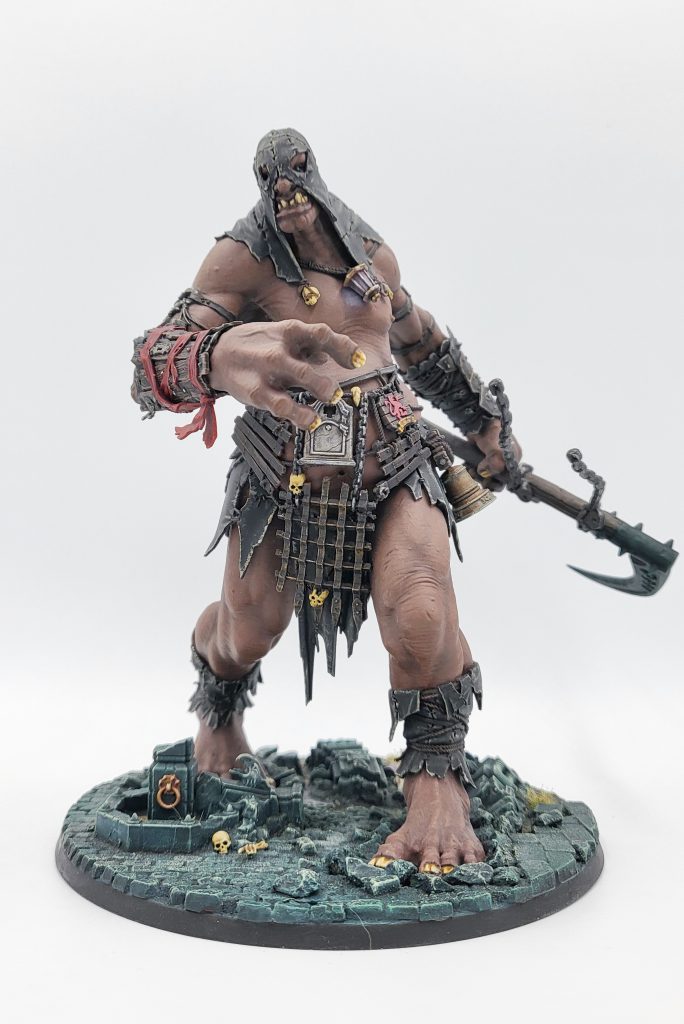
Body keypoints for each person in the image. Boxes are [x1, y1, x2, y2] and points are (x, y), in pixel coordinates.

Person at [131, 128, 516, 875]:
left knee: (422, 609)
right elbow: (151, 367)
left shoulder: (372, 255)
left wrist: (484, 423)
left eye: (297, 177)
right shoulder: (238, 260)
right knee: (248, 628)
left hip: (395, 455)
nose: (288, 195)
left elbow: (420, 342)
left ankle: (436, 782)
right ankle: (218, 709)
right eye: (272, 184)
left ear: (316, 176)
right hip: (284, 469)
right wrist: (215, 355)